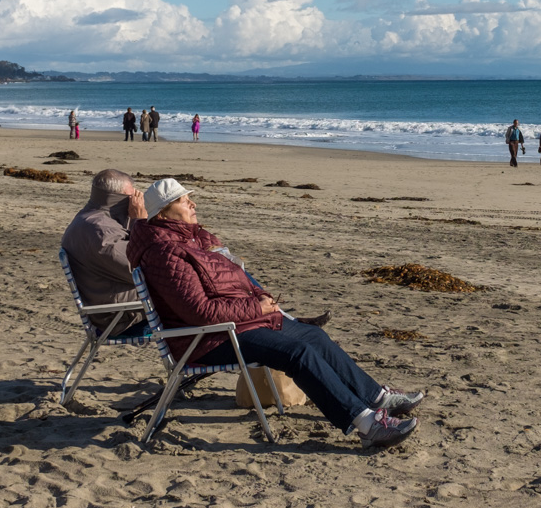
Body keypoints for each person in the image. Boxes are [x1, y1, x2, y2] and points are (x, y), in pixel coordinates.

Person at [127, 179, 422, 449]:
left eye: (190, 198)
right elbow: (200, 312)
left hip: (234, 325)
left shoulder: (186, 241)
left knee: (313, 335)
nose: (193, 204)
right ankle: (367, 424)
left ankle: (376, 397)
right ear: (163, 215)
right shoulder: (164, 253)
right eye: (183, 201)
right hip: (205, 340)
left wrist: (257, 300)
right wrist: (256, 308)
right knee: (297, 353)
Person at [62, 169, 150, 336]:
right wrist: (140, 222)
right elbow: (144, 269)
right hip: (122, 318)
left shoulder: (90, 219)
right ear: (119, 198)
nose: (136, 202)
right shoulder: (102, 231)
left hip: (116, 307)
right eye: (132, 197)